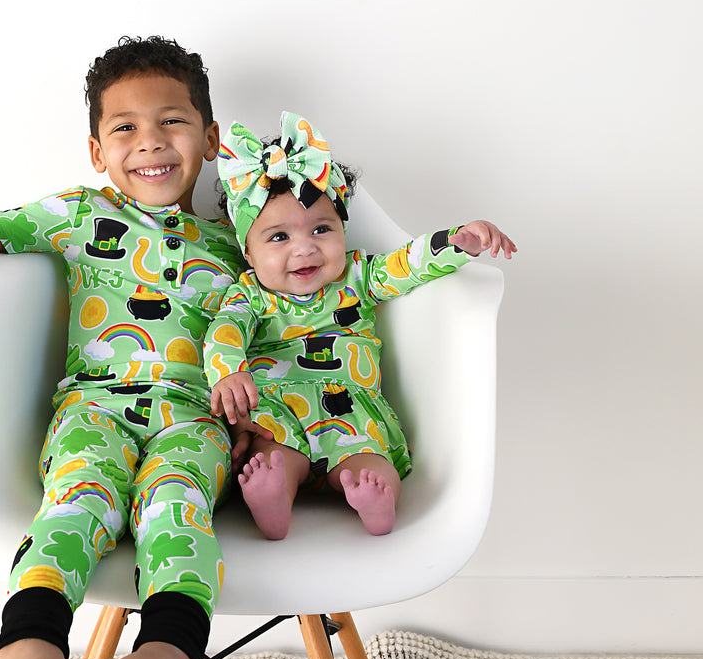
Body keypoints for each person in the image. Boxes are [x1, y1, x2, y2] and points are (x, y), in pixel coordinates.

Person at [0, 36, 246, 659]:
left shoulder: (242, 243)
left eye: (172, 121)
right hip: (93, 410)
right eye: (125, 128)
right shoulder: (81, 213)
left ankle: (170, 656)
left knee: (177, 506)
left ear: (209, 137)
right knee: (77, 502)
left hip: (194, 419)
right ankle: (27, 653)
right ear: (99, 152)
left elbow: (282, 336)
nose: (150, 142)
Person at [203, 111, 516, 541]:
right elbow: (225, 330)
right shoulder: (250, 294)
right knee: (272, 454)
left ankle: (375, 499)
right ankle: (274, 497)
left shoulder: (358, 277)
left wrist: (455, 242)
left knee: (370, 461)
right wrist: (228, 370)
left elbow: (407, 265)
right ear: (249, 253)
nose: (305, 249)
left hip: (350, 412)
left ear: (342, 230)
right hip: (279, 410)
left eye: (321, 229)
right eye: (279, 237)